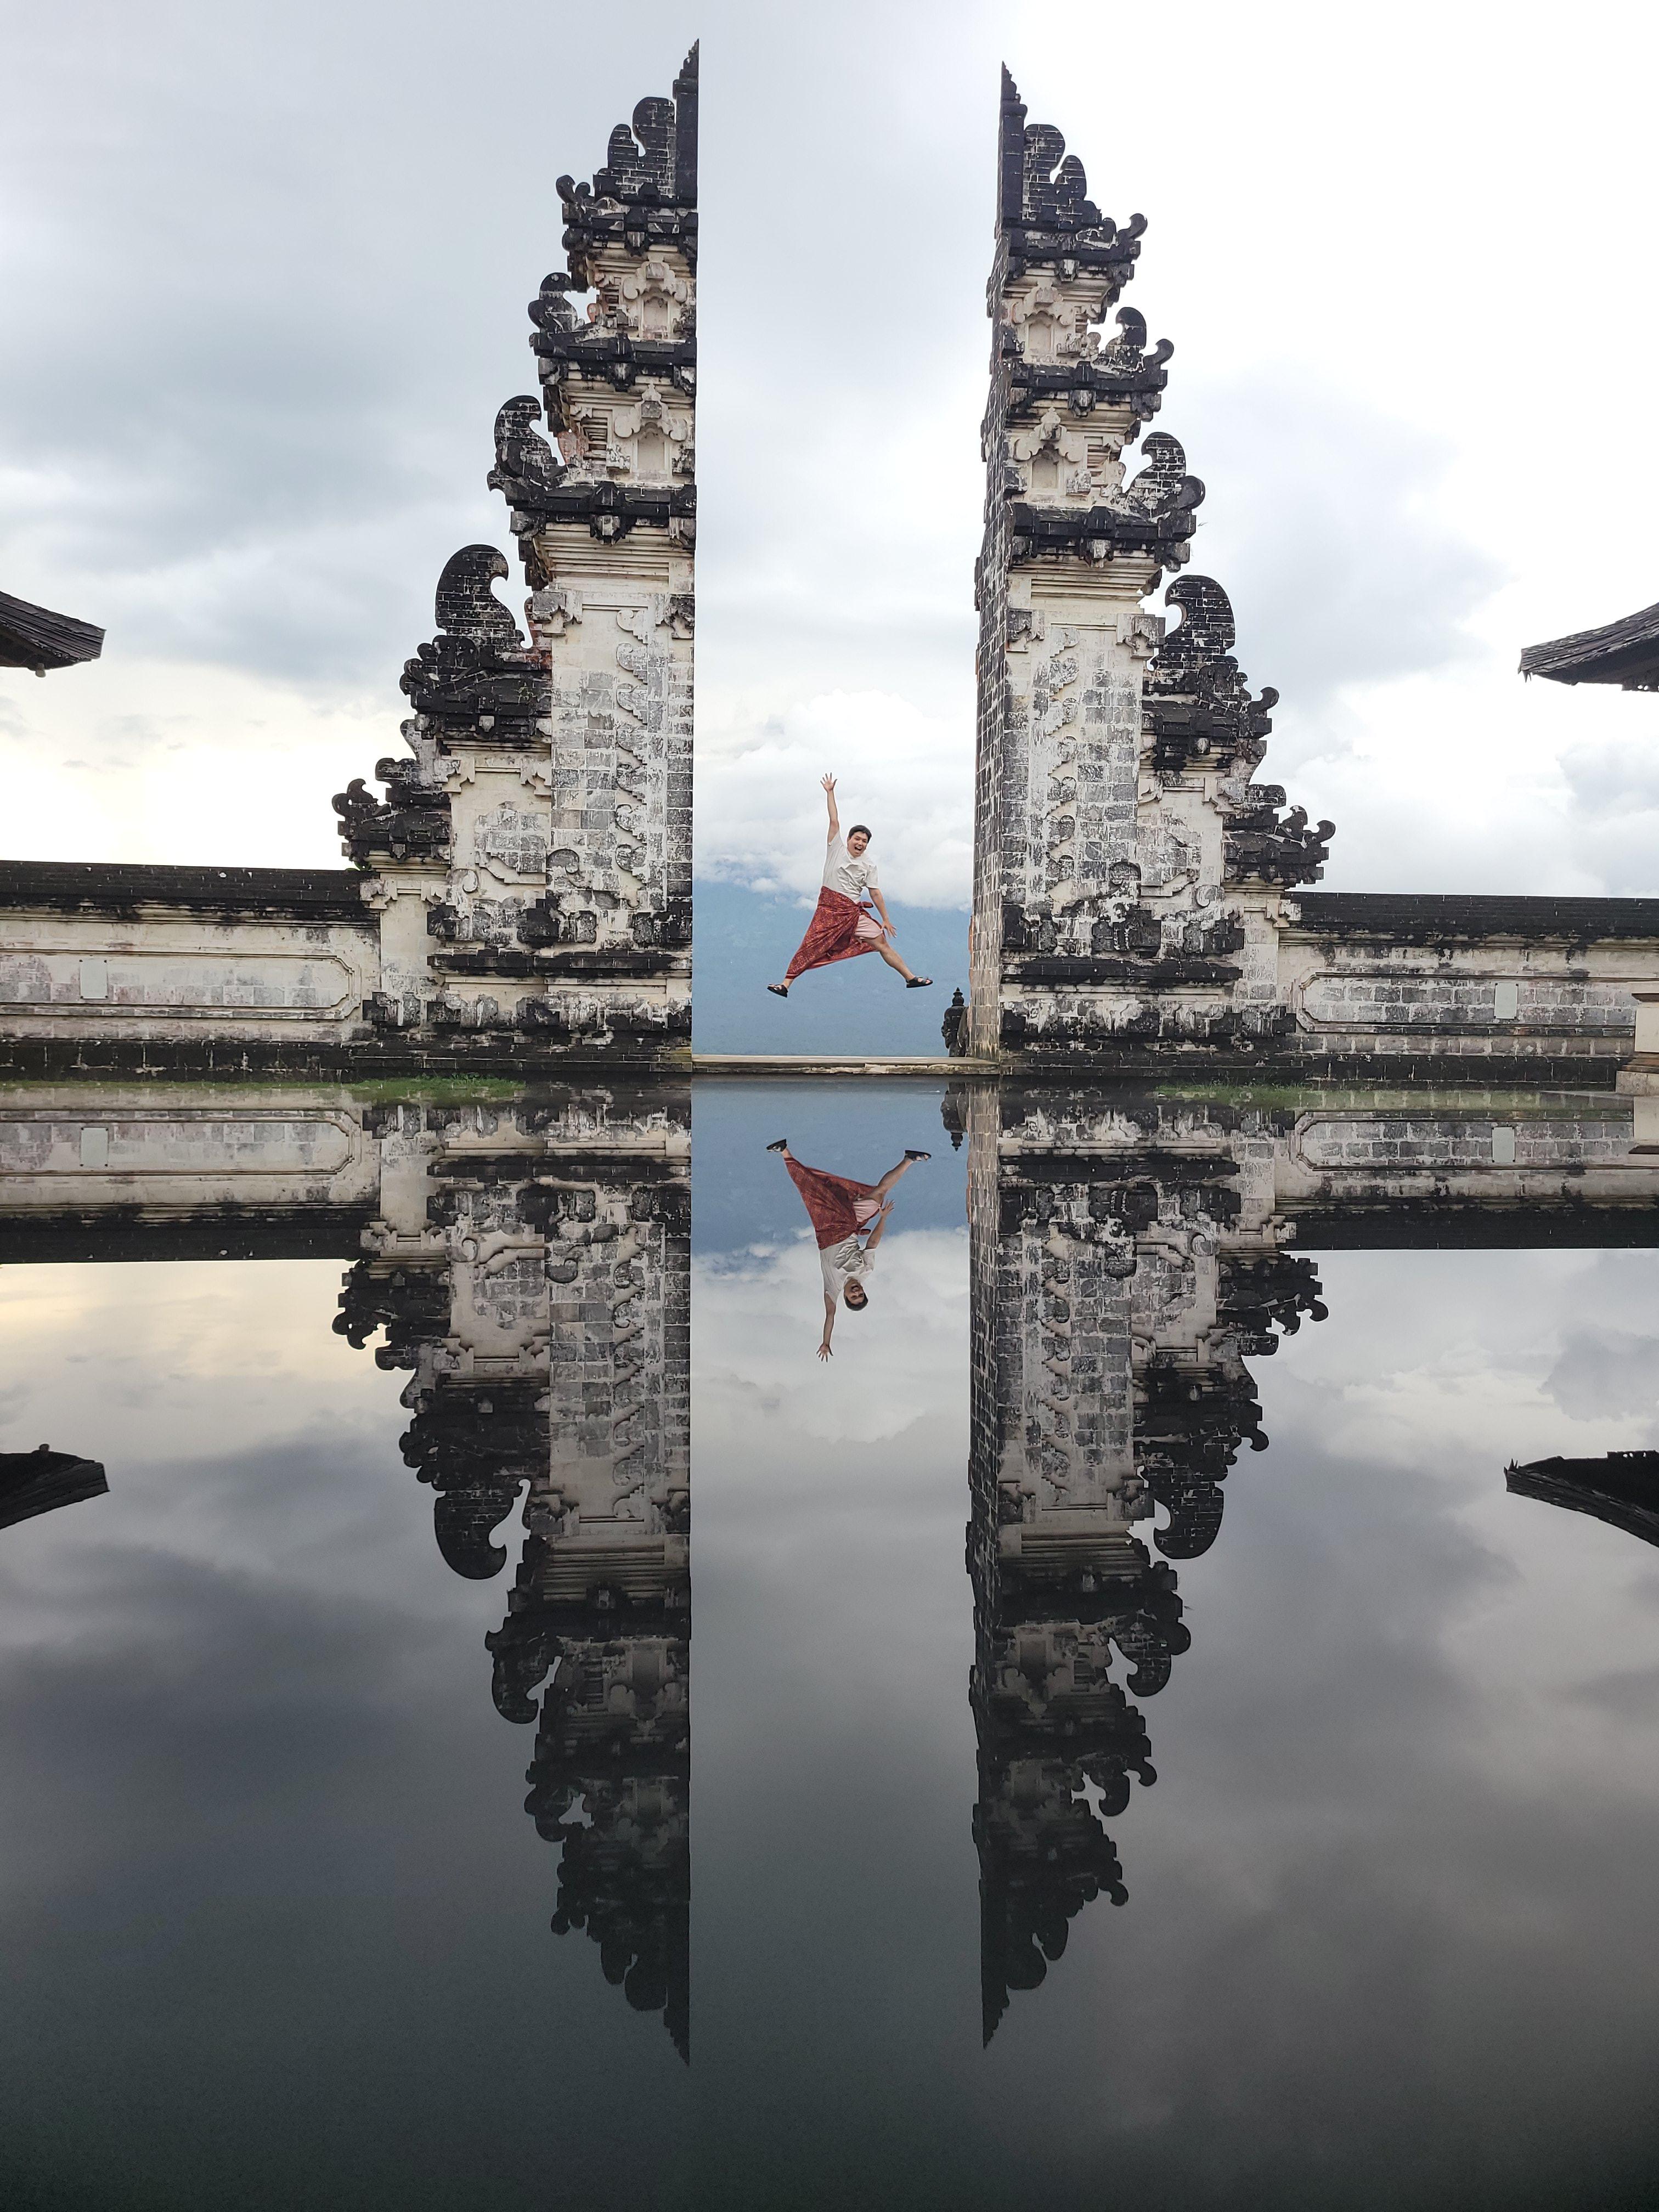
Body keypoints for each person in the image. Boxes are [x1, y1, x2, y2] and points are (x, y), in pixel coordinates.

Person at [768, 774, 933, 997]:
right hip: (828, 912)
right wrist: (830, 793)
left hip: (852, 914)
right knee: (810, 947)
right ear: (849, 839)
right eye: (857, 839)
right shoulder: (836, 849)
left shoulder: (869, 865)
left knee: (882, 943)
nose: (860, 843)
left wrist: (885, 919)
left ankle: (910, 978)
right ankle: (785, 985)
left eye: (864, 841)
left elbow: (875, 893)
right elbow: (834, 821)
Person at [768, 1138, 930, 1358]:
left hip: (827, 1227)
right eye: (861, 1294)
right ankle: (909, 1159)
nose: (857, 1292)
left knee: (813, 1189)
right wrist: (883, 1218)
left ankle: (785, 1152)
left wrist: (826, 1343)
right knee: (879, 1195)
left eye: (854, 1297)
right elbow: (872, 1243)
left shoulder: (833, 1289)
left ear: (845, 1297)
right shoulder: (866, 1271)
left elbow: (830, 1317)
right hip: (849, 1223)